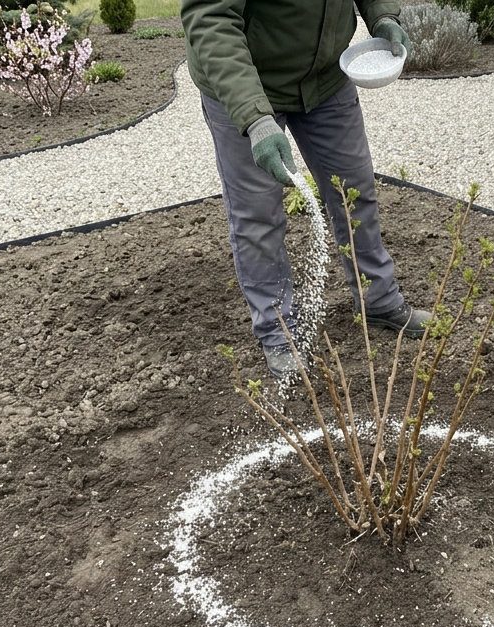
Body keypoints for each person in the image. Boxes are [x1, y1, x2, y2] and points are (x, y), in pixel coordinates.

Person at [180, 0, 432, 378]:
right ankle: (278, 330)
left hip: (325, 78)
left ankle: (377, 300)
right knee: (258, 213)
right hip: (246, 81)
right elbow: (210, 18)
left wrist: (382, 16)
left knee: (353, 191)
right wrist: (254, 118)